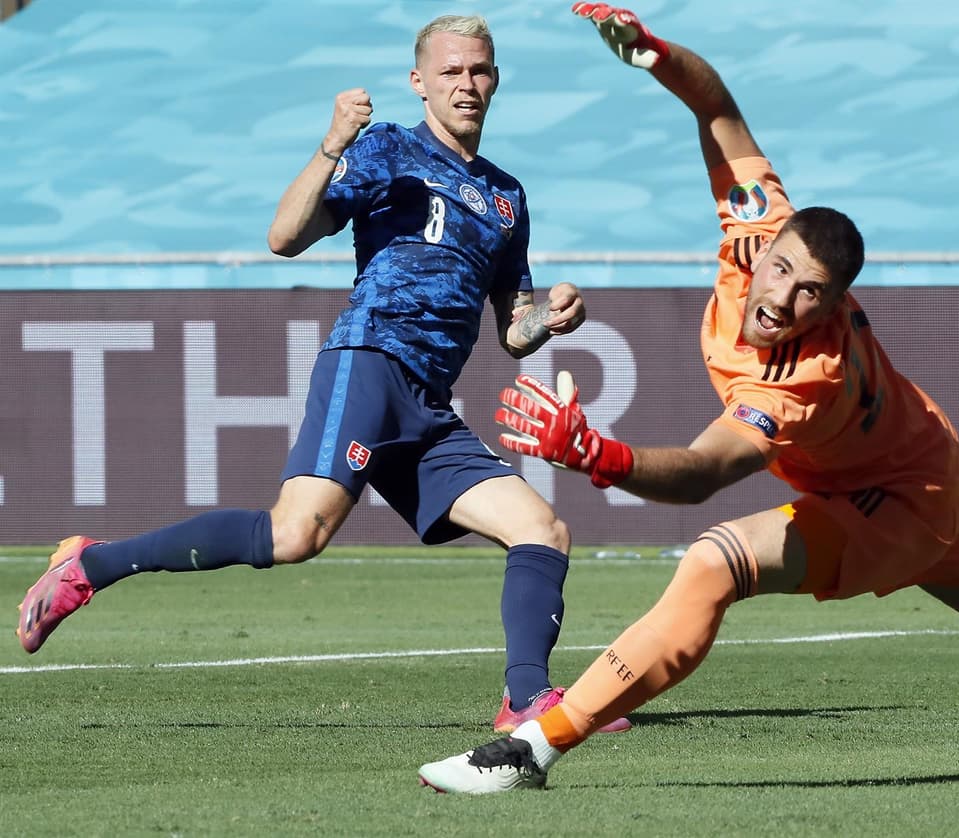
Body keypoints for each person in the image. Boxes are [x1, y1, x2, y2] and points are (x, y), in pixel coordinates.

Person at [415, 3, 959, 793]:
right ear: (766, 242)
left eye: (811, 292)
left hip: (890, 500)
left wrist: (600, 455)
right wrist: (656, 53)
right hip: (921, 462)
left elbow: (706, 470)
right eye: (779, 270)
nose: (781, 298)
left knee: (715, 562)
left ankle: (529, 750)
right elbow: (718, 107)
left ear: (837, 301)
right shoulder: (757, 217)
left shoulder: (809, 373)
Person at [16, 13, 630, 735]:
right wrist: (331, 146)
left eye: (480, 71)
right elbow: (283, 238)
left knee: (542, 529)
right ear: (420, 83)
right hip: (370, 361)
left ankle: (525, 699)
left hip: (428, 404)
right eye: (451, 72)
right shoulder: (389, 150)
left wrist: (550, 319)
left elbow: (513, 326)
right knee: (295, 536)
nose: (467, 84)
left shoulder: (506, 197)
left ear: (495, 80)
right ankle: (93, 565)